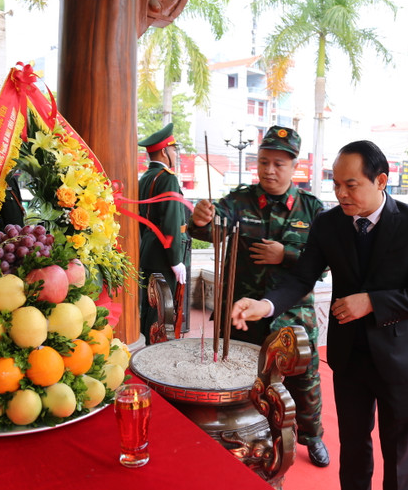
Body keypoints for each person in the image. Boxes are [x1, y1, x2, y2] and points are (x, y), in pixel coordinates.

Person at [229, 140, 408, 490]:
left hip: (400, 358)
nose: (341, 194)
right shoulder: (328, 223)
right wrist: (265, 305)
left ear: (380, 181)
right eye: (336, 184)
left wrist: (372, 302)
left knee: (399, 453)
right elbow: (301, 277)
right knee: (353, 447)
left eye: (351, 185)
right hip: (350, 357)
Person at [188, 125, 330, 468]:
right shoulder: (239, 201)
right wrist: (201, 221)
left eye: (279, 164)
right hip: (242, 312)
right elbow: (212, 229)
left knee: (305, 377)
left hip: (294, 313)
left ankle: (311, 435)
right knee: (238, 373)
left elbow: (325, 262)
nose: (269, 170)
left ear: (294, 166)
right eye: (264, 162)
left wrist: (287, 254)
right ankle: (241, 432)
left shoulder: (312, 209)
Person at [137, 123, 189, 344]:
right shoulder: (167, 178)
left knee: (150, 307)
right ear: (164, 151)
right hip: (165, 255)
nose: (175, 154)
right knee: (162, 311)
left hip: (150, 250)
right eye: (174, 149)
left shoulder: (146, 177)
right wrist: (175, 260)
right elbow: (171, 221)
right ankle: (153, 353)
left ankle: (145, 350)